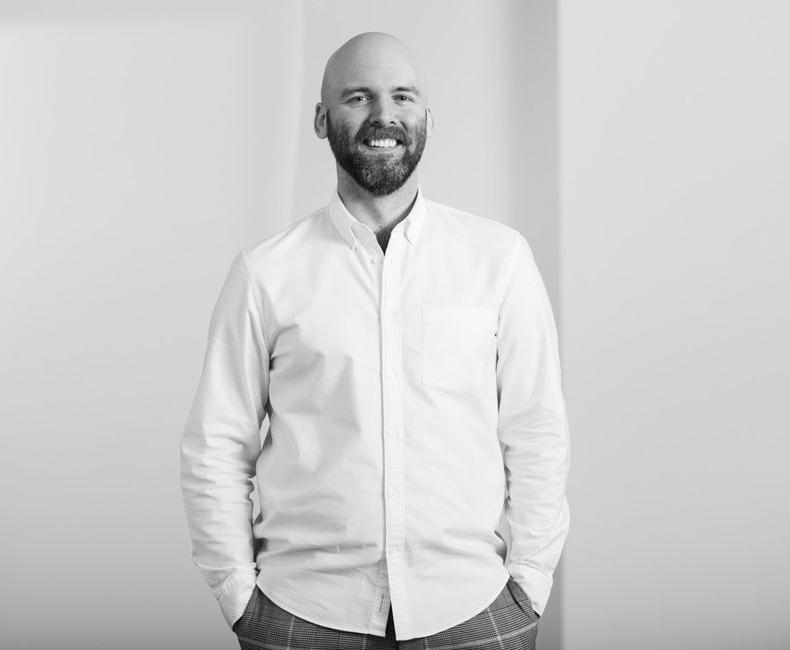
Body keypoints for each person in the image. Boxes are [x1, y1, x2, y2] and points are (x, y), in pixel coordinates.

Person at [180, 32, 570, 650]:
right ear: (321, 119)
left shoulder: (500, 260)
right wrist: (237, 595)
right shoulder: (265, 273)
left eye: (402, 97)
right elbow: (217, 445)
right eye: (358, 97)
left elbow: (537, 430)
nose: (383, 116)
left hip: (473, 612)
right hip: (300, 616)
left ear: (427, 119)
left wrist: (529, 583)